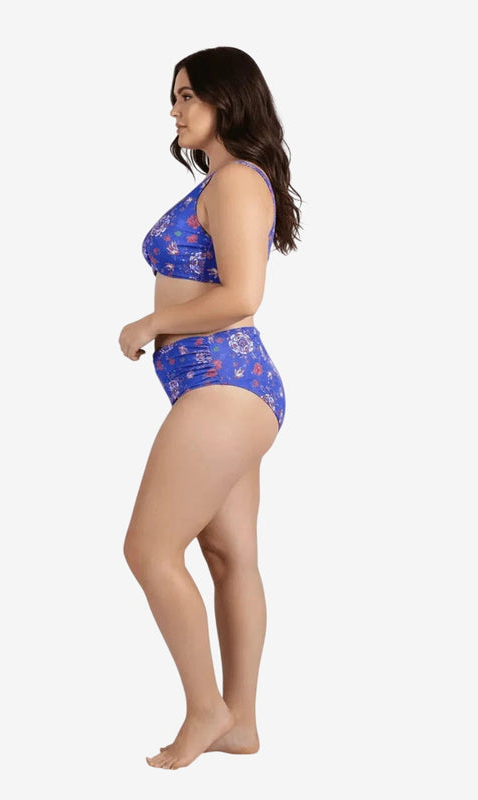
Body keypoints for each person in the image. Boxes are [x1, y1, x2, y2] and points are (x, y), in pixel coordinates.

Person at [118, 46, 303, 770]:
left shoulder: (236, 181)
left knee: (148, 549)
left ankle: (205, 709)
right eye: (174, 96)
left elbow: (242, 296)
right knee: (229, 555)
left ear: (227, 99)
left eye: (187, 94)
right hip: (224, 388)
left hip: (224, 382)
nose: (175, 109)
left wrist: (150, 323)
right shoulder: (226, 180)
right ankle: (240, 723)